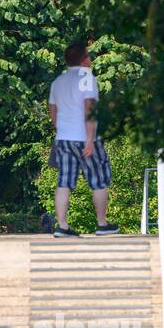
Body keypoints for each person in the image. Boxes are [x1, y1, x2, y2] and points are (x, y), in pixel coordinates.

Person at [48, 40, 119, 237]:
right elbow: (89, 107)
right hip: (87, 139)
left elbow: (53, 113)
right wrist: (89, 139)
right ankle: (102, 224)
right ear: (84, 59)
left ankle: (62, 226)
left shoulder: (57, 82)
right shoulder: (87, 78)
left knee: (64, 181)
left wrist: (62, 130)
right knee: (98, 180)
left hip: (63, 139)